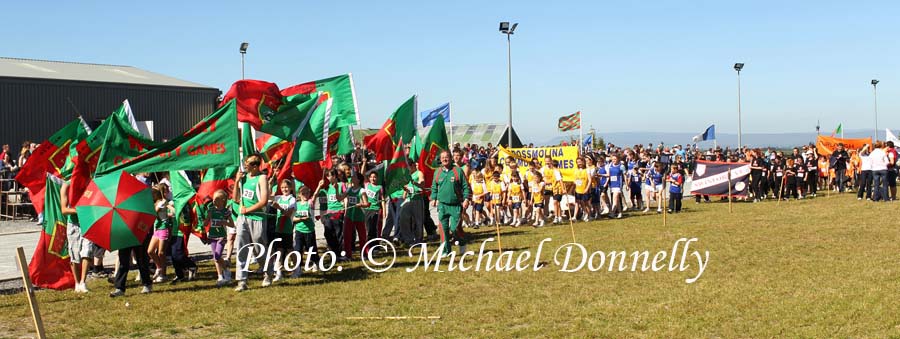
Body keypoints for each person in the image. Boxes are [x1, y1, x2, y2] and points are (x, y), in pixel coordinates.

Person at [232, 154, 271, 291]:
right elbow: (236, 199)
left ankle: (267, 272)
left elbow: (264, 201)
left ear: (255, 166)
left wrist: (248, 209)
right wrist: (237, 182)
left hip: (258, 217)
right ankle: (242, 280)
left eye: (247, 163)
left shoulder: (262, 178)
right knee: (242, 248)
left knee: (258, 247)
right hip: (243, 218)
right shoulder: (243, 178)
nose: (245, 165)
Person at [430, 150, 472, 256]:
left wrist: (466, 199)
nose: (444, 159)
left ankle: (462, 243)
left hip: (455, 206)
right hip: (442, 206)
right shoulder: (438, 171)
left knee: (455, 230)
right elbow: (434, 186)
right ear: (440, 159)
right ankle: (445, 251)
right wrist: (433, 198)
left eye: (447, 157)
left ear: (451, 158)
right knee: (443, 231)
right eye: (442, 157)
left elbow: (466, 187)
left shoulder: (457, 171)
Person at [60, 180, 92, 293]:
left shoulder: (90, 183)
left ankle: (83, 282)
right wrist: (80, 211)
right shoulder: (66, 185)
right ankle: (77, 283)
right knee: (74, 255)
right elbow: (64, 210)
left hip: (88, 222)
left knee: (87, 251)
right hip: (73, 224)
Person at [270, 179, 296, 281]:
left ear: (290, 188)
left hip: (287, 228)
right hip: (278, 227)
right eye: (282, 187)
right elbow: (267, 197)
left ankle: (296, 268)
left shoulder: (292, 199)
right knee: (279, 251)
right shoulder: (278, 197)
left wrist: (279, 208)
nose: (284, 189)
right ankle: (279, 272)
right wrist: (270, 184)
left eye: (286, 187)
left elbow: (289, 213)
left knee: (289, 250)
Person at [206, 190, 234, 286]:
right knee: (215, 257)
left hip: (221, 236)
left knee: (217, 255)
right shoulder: (211, 210)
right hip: (212, 236)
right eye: (213, 199)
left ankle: (226, 270)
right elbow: (206, 222)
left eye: (217, 199)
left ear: (223, 200)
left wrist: (224, 222)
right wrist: (204, 222)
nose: (214, 201)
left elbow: (232, 224)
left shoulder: (226, 211)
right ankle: (220, 276)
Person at [148, 184, 173, 283]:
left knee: (161, 253)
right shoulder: (156, 203)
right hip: (157, 229)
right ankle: (159, 268)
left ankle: (163, 274)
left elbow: (154, 213)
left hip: (163, 229)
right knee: (150, 251)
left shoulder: (162, 202)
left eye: (152, 194)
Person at [343, 172, 371, 260]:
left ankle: (364, 254)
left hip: (359, 216)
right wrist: (336, 189)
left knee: (362, 236)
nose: (352, 177)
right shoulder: (349, 189)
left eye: (354, 176)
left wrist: (361, 204)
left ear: (358, 180)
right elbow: (340, 198)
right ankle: (348, 255)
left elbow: (367, 204)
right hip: (349, 216)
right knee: (347, 236)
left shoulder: (362, 190)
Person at [292, 186, 318, 278]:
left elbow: (314, 196)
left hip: (309, 231)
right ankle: (298, 269)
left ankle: (315, 262)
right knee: (297, 249)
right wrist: (301, 219)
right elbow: (293, 218)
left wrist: (318, 186)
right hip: (299, 231)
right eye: (303, 193)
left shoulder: (310, 203)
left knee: (311, 249)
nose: (305, 195)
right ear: (299, 194)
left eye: (307, 193)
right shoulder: (296, 204)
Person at [364, 172, 384, 241]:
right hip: (366, 209)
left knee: (374, 227)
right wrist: (364, 163)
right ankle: (368, 243)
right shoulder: (366, 185)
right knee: (367, 228)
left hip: (375, 209)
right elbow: (362, 173)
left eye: (375, 177)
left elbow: (382, 199)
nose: (373, 178)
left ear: (377, 178)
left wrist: (384, 211)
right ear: (369, 178)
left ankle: (375, 244)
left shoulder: (379, 187)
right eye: (371, 177)